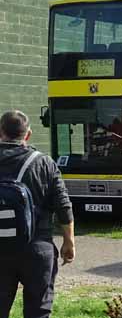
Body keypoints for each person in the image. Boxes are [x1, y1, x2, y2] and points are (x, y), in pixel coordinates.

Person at [0, 110, 74, 318]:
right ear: (28, 134)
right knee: (39, 309)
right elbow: (63, 205)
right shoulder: (44, 163)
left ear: (0, 132)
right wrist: (69, 242)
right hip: (37, 248)